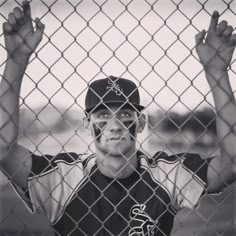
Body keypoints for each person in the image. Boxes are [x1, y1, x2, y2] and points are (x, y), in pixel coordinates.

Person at [1, 1, 236, 236]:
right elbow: (2, 148)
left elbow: (232, 163)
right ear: (87, 124)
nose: (114, 125)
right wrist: (16, 60)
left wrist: (217, 73)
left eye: (125, 114)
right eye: (103, 114)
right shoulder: (63, 178)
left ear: (141, 122)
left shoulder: (166, 174)